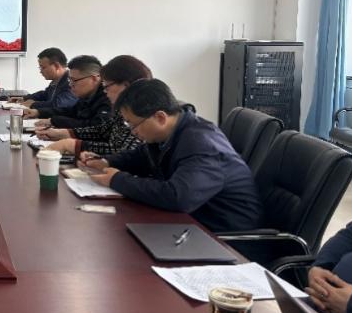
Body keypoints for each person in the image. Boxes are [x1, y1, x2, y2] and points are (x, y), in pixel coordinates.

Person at [87, 79, 261, 233]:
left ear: (160, 117)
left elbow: (178, 197)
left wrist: (117, 180)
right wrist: (107, 161)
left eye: (133, 125)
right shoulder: (172, 131)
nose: (133, 132)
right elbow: (142, 156)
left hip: (225, 237)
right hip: (192, 223)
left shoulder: (202, 144)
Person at [43, 55, 151, 157]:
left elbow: (123, 152)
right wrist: (66, 133)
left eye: (107, 86)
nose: (105, 91)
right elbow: (103, 130)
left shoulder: (141, 113)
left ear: (125, 86)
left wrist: (72, 145)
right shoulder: (121, 108)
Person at [24, 54, 111, 129]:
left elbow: (97, 127)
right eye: (70, 80)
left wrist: (55, 121)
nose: (70, 84)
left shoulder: (109, 96)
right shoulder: (87, 94)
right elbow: (71, 111)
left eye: (74, 80)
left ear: (94, 79)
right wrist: (39, 112)